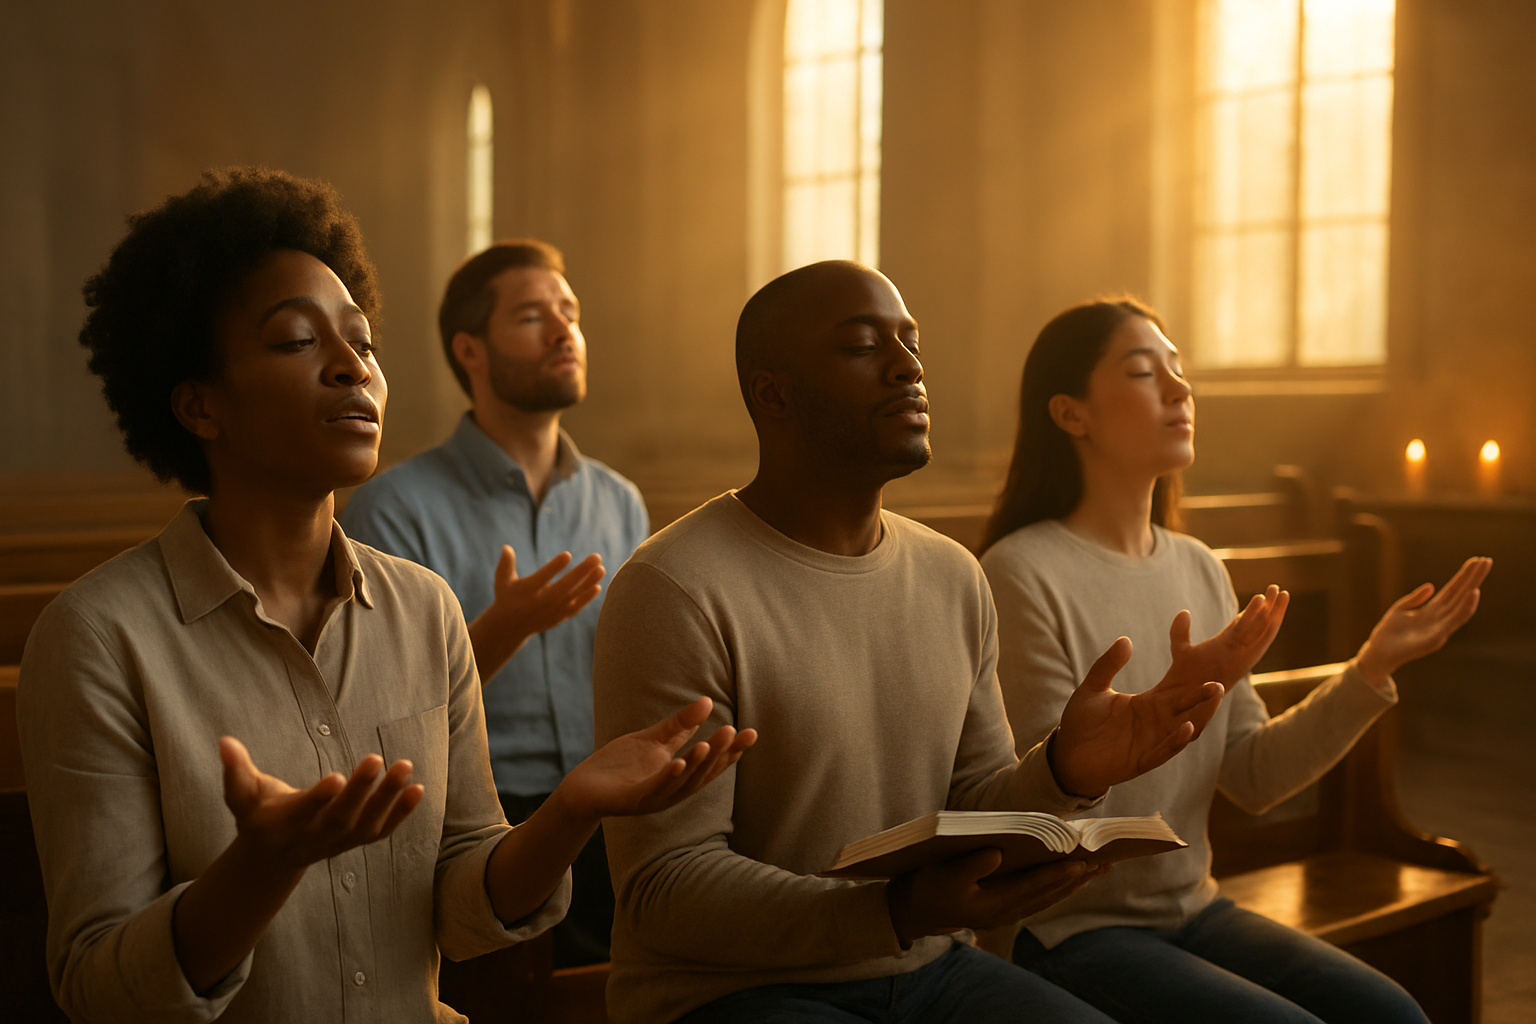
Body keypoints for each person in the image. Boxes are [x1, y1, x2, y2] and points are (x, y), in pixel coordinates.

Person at [17, 167, 754, 1024]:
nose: (350, 368)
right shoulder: (98, 637)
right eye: (297, 342)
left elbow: (462, 911)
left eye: (362, 343)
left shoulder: (424, 609)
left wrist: (568, 809)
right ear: (198, 405)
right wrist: (260, 865)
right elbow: (99, 987)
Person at [589, 261, 1279, 1024]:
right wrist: (892, 911)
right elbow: (664, 886)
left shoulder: (951, 575)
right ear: (773, 394)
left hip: (928, 968)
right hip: (733, 990)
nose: (909, 367)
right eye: (862, 346)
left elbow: (977, 799)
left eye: (910, 342)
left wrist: (1064, 770)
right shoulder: (676, 586)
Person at [977, 297, 1490, 1024]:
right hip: (1067, 928)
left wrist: (1371, 670)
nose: (1180, 389)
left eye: (1178, 369)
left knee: (1392, 1014)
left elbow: (1252, 777)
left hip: (1194, 906)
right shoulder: (1021, 571)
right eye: (1142, 371)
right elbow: (1044, 819)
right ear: (1071, 414)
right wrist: (1160, 712)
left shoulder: (1198, 566)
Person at [340, 239, 644, 964]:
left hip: (618, 810)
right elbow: (375, 718)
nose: (564, 330)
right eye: (533, 316)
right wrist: (496, 635)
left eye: (568, 313)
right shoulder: (393, 510)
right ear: (470, 351)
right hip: (475, 825)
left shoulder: (618, 500)